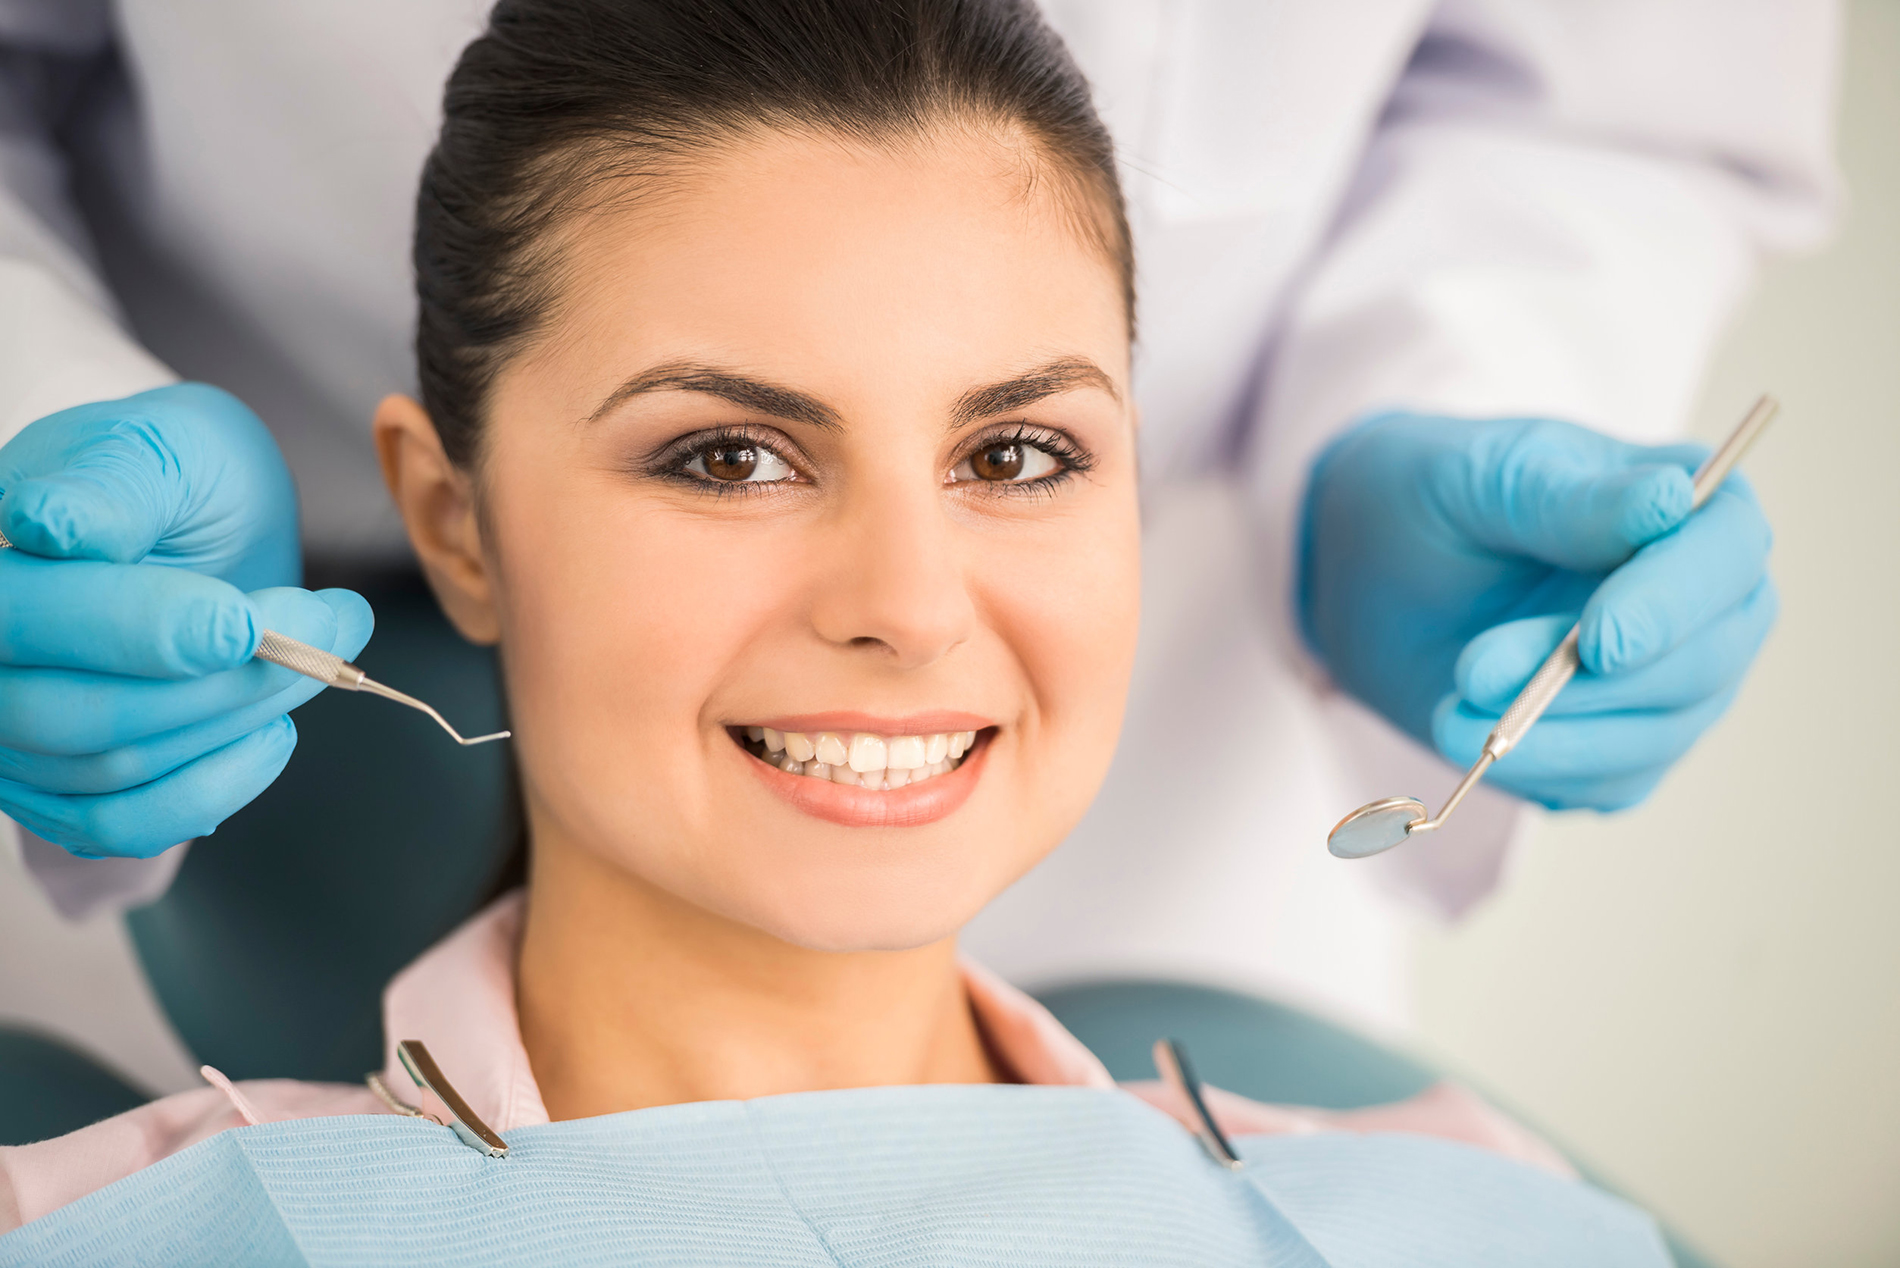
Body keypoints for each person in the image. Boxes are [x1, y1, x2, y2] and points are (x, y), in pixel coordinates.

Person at [0, 9, 1668, 1258]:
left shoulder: (1467, 1224)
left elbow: (1629, 100)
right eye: (727, 456)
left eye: (1018, 454)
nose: (909, 606)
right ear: (457, 522)